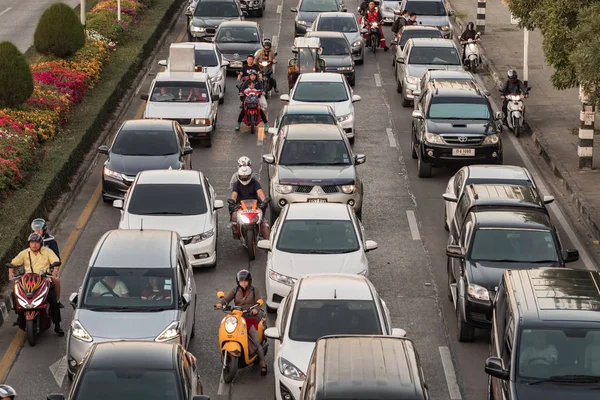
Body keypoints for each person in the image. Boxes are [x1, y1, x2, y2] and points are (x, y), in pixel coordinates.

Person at [8, 233, 64, 336]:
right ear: (29, 243)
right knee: (16, 292)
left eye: (36, 242)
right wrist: (10, 272)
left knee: (53, 302)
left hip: (44, 280)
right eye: (32, 242)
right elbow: (13, 263)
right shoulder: (24, 253)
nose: (34, 245)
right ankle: (19, 315)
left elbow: (56, 261)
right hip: (28, 282)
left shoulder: (47, 252)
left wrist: (55, 271)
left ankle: (57, 325)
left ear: (40, 243)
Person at [215, 269, 267, 375]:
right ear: (238, 281)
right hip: (238, 316)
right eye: (241, 281)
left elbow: (259, 302)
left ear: (249, 281)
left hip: (250, 317)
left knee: (256, 341)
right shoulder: (235, 290)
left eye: (245, 281)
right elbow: (226, 299)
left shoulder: (254, 290)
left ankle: (263, 363)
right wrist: (220, 303)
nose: (243, 283)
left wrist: (255, 309)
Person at [31, 218, 63, 308]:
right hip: (33, 271)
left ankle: (57, 301)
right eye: (35, 230)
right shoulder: (30, 242)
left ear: (44, 230)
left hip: (48, 270)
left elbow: (57, 259)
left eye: (39, 230)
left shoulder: (51, 241)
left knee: (56, 280)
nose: (37, 232)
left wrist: (54, 271)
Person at [230, 166, 270, 239]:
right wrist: (233, 202)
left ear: (250, 176)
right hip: (240, 205)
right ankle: (235, 227)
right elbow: (234, 194)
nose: (244, 179)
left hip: (254, 204)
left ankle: (268, 244)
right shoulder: (236, 184)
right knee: (233, 212)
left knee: (263, 224)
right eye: (242, 177)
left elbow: (260, 192)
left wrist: (264, 201)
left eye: (246, 177)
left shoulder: (255, 183)